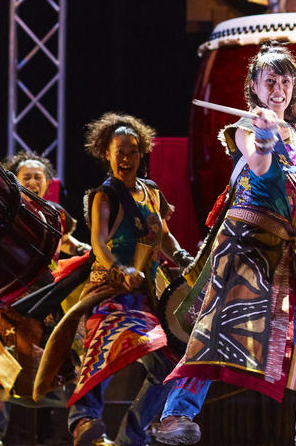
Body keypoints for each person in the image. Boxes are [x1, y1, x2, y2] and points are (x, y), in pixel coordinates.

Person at [154, 44, 296, 446]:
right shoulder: (246, 126)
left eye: (285, 80)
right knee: (218, 328)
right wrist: (264, 134)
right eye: (270, 81)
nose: (278, 88)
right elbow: (260, 167)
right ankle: (175, 416)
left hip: (284, 253)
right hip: (244, 244)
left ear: (293, 85)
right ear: (256, 88)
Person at [35, 113, 193, 446]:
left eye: (132, 151)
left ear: (142, 153)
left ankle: (132, 436)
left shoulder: (151, 193)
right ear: (106, 153)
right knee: (107, 349)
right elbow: (99, 242)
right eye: (119, 151)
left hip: (147, 293)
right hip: (109, 290)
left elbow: (163, 236)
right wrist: (120, 269)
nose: (126, 158)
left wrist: (181, 257)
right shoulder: (103, 196)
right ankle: (83, 419)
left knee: (167, 366)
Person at [0, 151, 89, 446]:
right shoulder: (5, 210)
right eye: (27, 177)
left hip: (49, 297)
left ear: (48, 181)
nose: (33, 182)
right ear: (14, 180)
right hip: (13, 297)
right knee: (1, 365)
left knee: (69, 361)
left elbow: (69, 244)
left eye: (38, 177)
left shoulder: (56, 214)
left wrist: (89, 252)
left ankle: (83, 425)